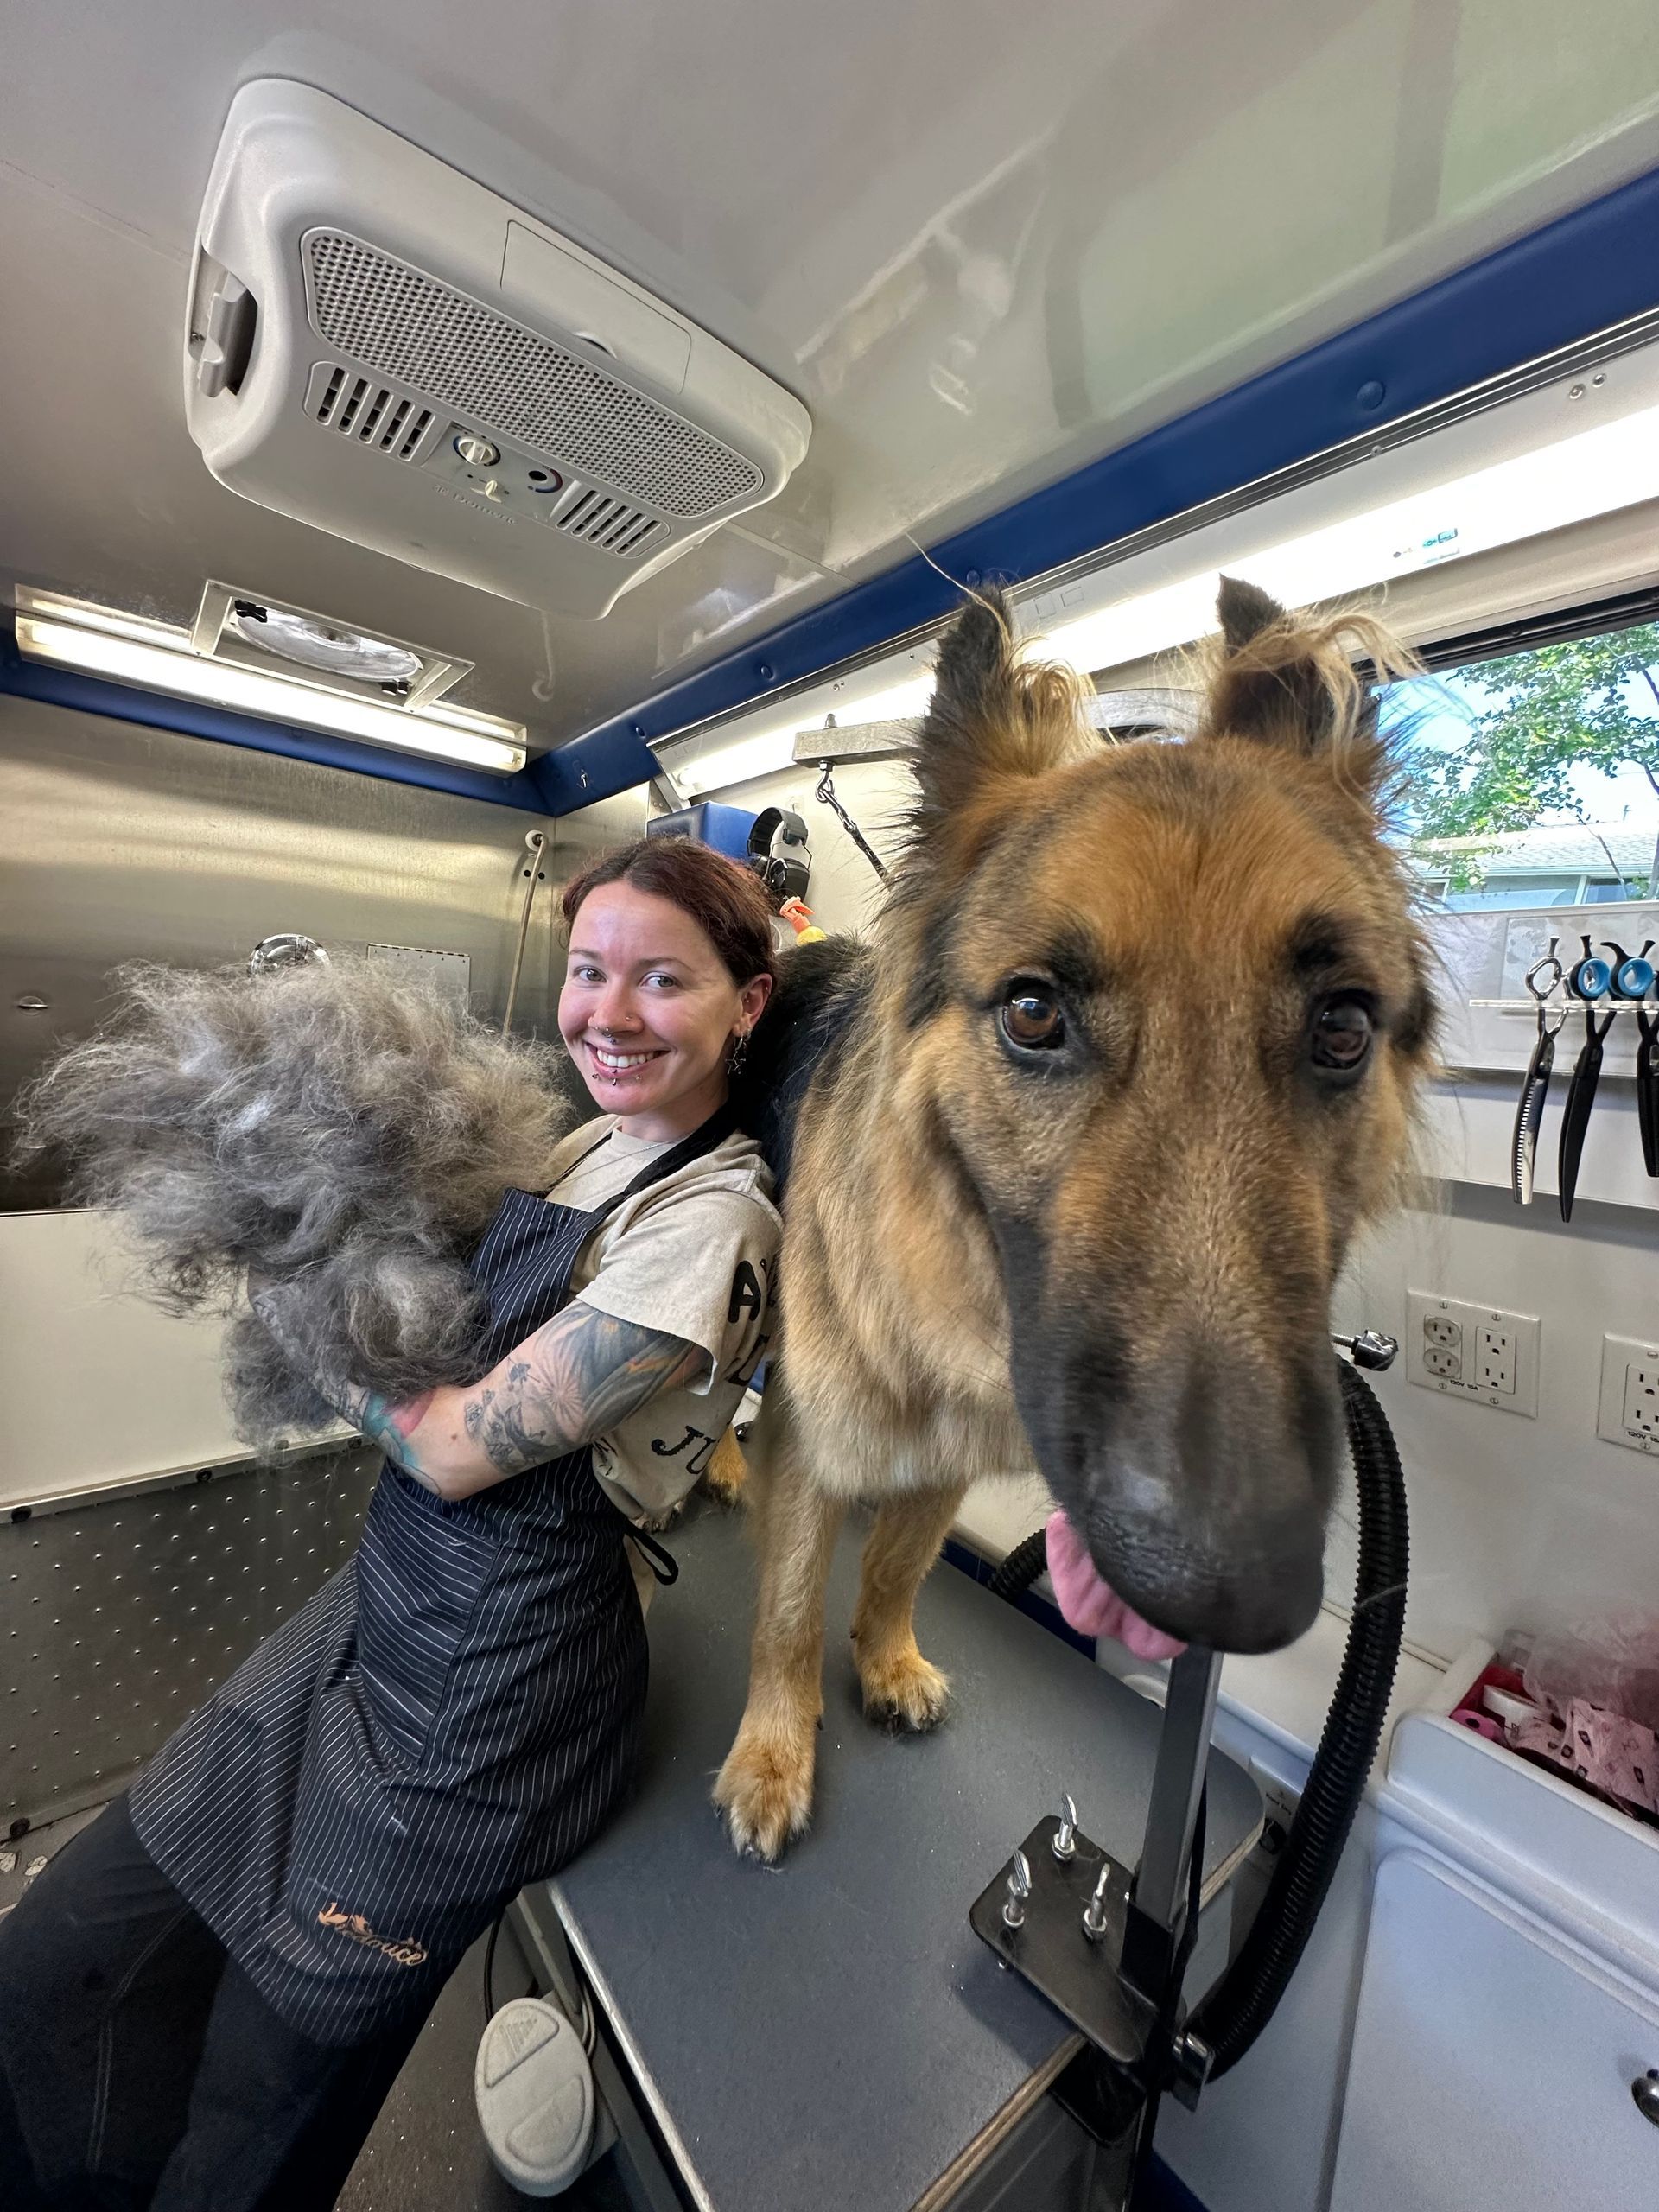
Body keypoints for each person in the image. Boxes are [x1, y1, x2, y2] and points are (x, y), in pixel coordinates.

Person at [0, 837, 780, 2211]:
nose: (608, 1013)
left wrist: (291, 1280)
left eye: (662, 980)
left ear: (747, 1004)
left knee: (266, 2077)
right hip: (387, 1607)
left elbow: (457, 1451)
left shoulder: (712, 1227)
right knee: (69, 1945)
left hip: (501, 1682)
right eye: (590, 971)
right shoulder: (590, 1139)